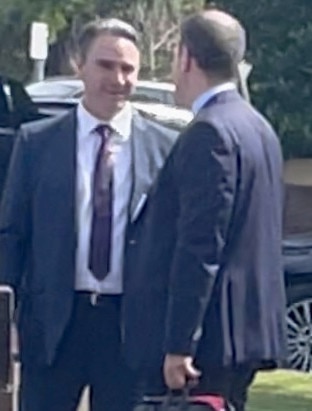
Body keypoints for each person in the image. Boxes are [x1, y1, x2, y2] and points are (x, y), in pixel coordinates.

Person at [0, 18, 178, 411]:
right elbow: (12, 235)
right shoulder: (37, 144)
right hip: (55, 325)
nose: (118, 78)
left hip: (128, 329)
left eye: (128, 68)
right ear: (80, 65)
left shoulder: (166, 149)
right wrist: (6, 321)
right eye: (106, 65)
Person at [125, 8, 287, 411]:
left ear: (186, 58)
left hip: (207, 345)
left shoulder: (209, 132)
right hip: (243, 335)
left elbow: (201, 245)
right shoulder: (258, 128)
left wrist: (179, 344)